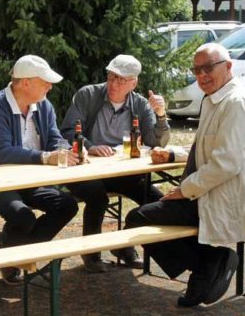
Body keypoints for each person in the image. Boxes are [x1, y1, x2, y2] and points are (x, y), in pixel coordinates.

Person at [124, 43, 245, 307]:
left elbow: (226, 163)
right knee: (154, 213)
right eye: (197, 70)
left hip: (223, 195)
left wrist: (186, 189)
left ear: (228, 67)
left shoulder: (235, 102)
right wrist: (172, 155)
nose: (202, 75)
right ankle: (206, 266)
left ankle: (208, 263)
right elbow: (206, 147)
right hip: (207, 190)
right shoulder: (215, 98)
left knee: (138, 218)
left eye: (208, 68)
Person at [0, 55, 80, 284]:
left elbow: (55, 138)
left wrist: (67, 151)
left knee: (67, 205)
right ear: (25, 83)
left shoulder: (43, 105)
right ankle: (14, 254)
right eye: (45, 82)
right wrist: (44, 157)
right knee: (23, 215)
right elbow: (1, 152)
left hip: (30, 180)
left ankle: (11, 252)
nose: (50, 86)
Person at [60, 54, 171, 273]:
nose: (114, 84)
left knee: (155, 198)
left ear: (133, 83)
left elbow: (154, 141)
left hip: (122, 170)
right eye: (111, 77)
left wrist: (160, 115)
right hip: (86, 170)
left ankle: (123, 245)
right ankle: (91, 254)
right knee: (97, 196)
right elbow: (68, 130)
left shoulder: (139, 104)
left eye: (121, 80)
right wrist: (90, 146)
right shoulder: (88, 95)